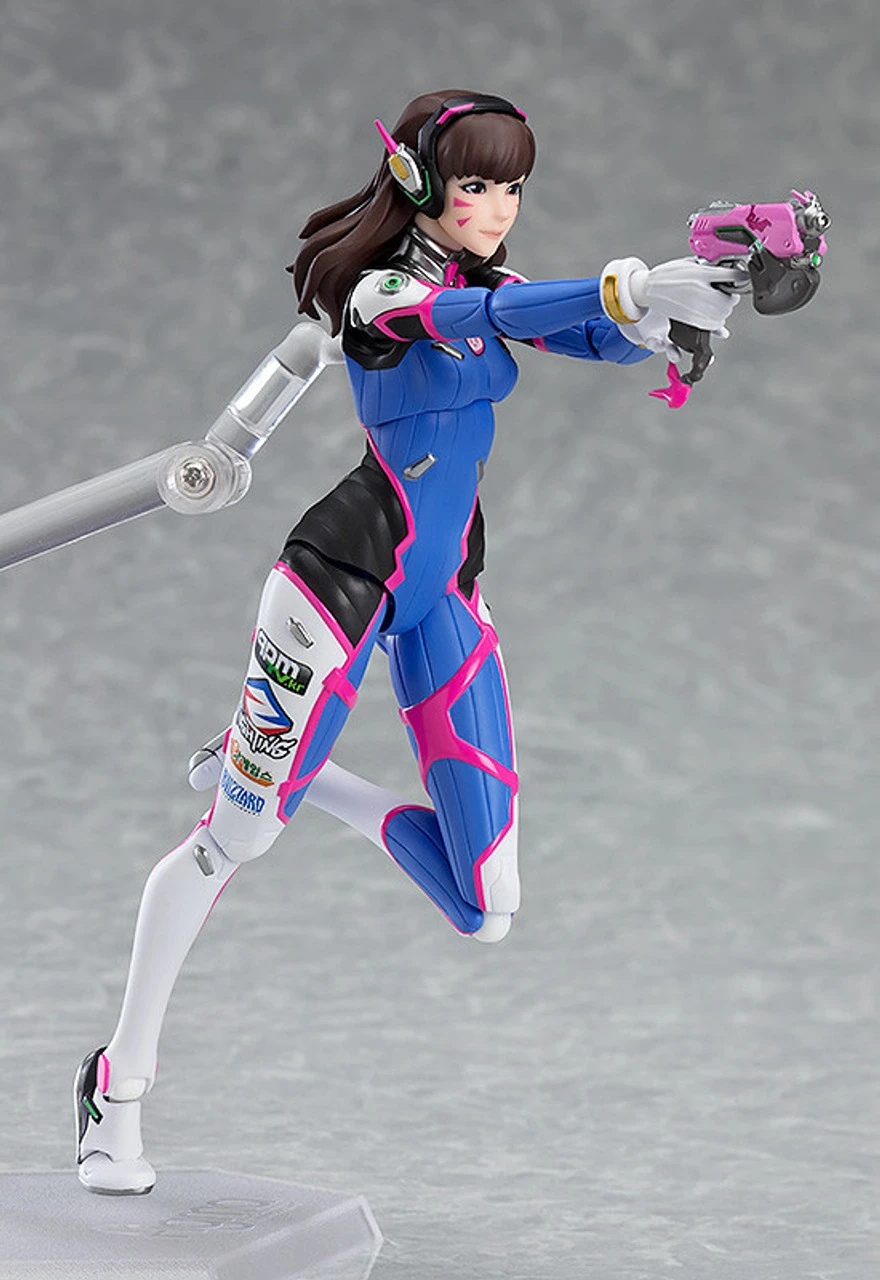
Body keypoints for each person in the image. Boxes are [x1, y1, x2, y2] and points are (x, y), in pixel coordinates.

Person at [74, 89, 738, 1194]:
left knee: (486, 904)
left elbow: (570, 325)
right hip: (339, 584)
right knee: (233, 841)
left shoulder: (491, 289)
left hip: (442, 589)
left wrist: (672, 310)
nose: (499, 207)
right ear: (420, 183)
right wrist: (627, 288)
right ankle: (116, 1087)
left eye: (513, 186)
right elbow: (463, 319)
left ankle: (310, 777)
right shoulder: (381, 293)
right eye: (477, 183)